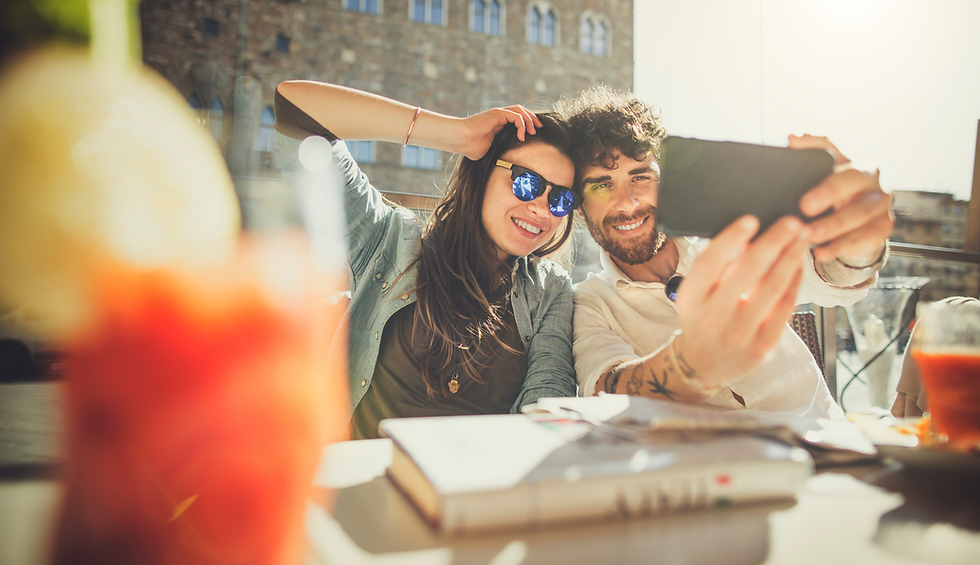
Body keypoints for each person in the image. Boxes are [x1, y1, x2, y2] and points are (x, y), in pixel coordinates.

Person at [555, 85, 894, 419]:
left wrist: (858, 245)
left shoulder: (733, 241)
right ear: (580, 208)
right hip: (710, 454)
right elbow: (604, 388)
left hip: (819, 437)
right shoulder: (590, 302)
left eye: (640, 177)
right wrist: (690, 364)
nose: (627, 203)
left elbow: (829, 275)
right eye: (602, 186)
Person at [274, 81, 578, 438]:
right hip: (367, 470)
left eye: (560, 199)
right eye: (526, 182)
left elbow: (548, 402)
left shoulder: (551, 291)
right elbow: (296, 111)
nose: (542, 209)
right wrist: (459, 135)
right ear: (482, 173)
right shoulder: (388, 242)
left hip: (485, 472)